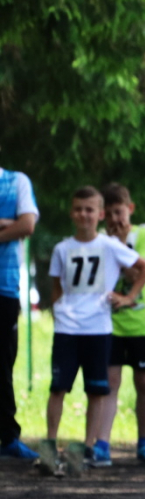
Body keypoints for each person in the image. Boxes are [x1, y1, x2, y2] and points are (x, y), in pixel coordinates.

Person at [40, 187, 145, 475]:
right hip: (67, 328)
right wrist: (58, 312)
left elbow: (144, 267)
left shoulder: (110, 245)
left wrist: (128, 298)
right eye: (78, 209)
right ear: (71, 212)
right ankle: (50, 445)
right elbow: (56, 286)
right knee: (58, 386)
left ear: (99, 214)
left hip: (98, 328)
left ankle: (89, 448)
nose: (83, 214)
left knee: (97, 389)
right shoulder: (62, 248)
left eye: (90, 210)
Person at [94, 183, 145, 467]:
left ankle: (144, 442)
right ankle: (102, 443)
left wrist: (119, 245)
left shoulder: (143, 235)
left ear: (130, 209)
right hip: (110, 323)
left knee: (144, 381)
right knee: (110, 383)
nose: (114, 220)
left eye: (119, 212)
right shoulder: (98, 239)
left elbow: (139, 273)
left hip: (141, 322)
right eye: (108, 214)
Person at [0, 164, 39, 461]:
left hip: (4, 287)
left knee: (2, 363)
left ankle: (8, 438)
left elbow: (26, 225)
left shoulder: (17, 182)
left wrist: (13, 225)